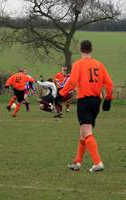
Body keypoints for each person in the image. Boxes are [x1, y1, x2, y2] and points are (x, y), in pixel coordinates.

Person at [59, 40, 113, 172]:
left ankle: (97, 162)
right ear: (91, 49)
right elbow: (109, 83)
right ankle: (77, 163)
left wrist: (61, 94)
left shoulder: (78, 64)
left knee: (87, 132)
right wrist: (108, 98)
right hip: (96, 101)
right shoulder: (99, 65)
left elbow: (72, 82)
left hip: (85, 101)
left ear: (80, 50)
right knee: (83, 133)